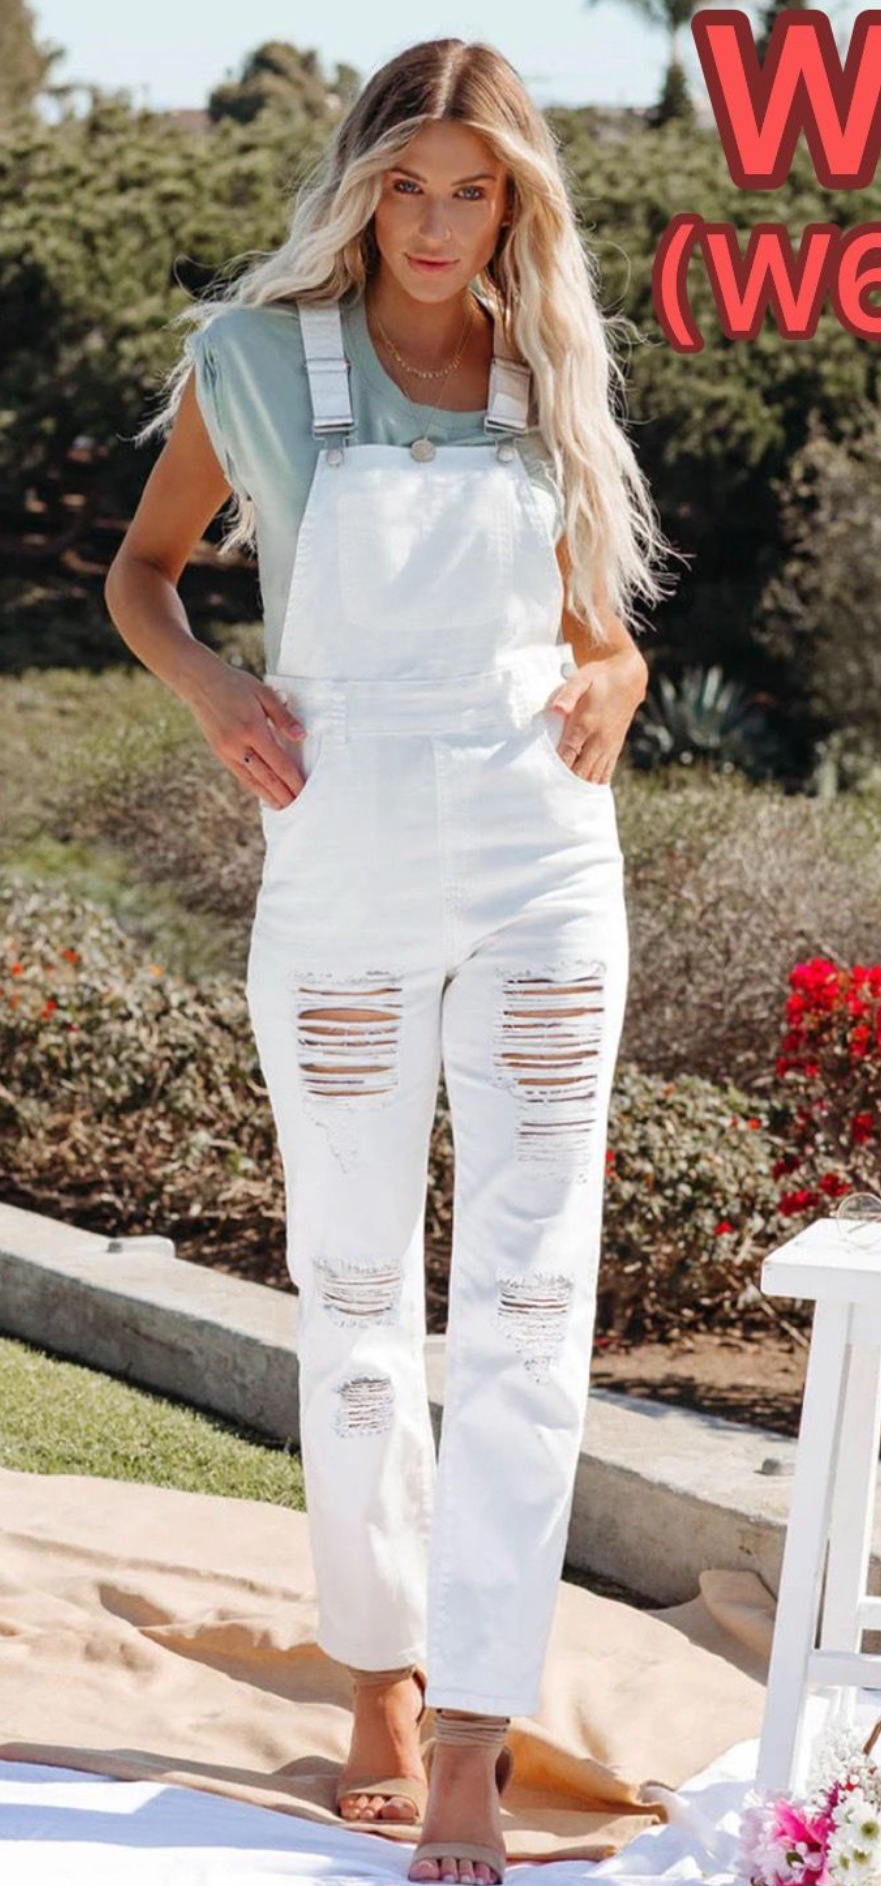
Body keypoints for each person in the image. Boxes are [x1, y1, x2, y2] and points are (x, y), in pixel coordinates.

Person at [105, 35, 675, 1886]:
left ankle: (476, 1737)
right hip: (340, 869)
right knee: (353, 1283)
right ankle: (381, 1672)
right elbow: (142, 573)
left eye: (473, 191)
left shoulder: (545, 366)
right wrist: (215, 691)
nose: (436, 225)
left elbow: (595, 633)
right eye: (408, 187)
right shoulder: (257, 360)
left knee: (528, 1295)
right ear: (360, 187)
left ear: (515, 205)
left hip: (540, 866)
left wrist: (617, 674)